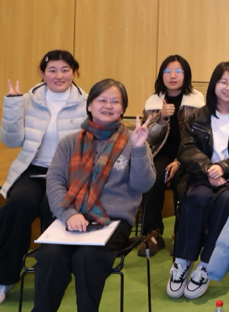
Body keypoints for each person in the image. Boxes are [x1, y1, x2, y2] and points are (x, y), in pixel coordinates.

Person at [35, 79, 155, 312]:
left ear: (123, 108)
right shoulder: (69, 142)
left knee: (87, 258)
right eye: (102, 100)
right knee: (51, 257)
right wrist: (68, 214)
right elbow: (55, 181)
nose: (108, 105)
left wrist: (139, 148)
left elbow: (143, 185)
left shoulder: (134, 140)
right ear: (90, 105)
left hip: (112, 221)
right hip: (69, 218)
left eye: (115, 101)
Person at [168, 62, 229, 300]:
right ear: (214, 84)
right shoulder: (197, 117)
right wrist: (209, 168)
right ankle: (183, 260)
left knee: (227, 201)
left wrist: (223, 168)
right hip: (201, 175)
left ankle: (207, 265)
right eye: (223, 82)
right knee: (196, 196)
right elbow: (187, 149)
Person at [0, 50, 87, 304]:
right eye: (52, 70)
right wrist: (12, 107)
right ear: (42, 73)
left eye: (65, 70)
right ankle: (4, 277)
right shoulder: (28, 99)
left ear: (74, 72)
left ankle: (52, 277)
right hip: (32, 168)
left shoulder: (86, 102)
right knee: (17, 206)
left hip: (66, 174)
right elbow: (12, 141)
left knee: (55, 208)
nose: (59, 76)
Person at [139, 55, 205, 256]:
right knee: (152, 178)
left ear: (186, 75)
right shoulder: (153, 102)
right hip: (161, 154)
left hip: (188, 154)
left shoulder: (197, 101)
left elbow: (201, 135)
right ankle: (152, 233)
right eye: (167, 71)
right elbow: (147, 138)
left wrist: (180, 160)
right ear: (161, 75)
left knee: (183, 182)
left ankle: (181, 233)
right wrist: (161, 118)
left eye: (178, 71)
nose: (173, 76)